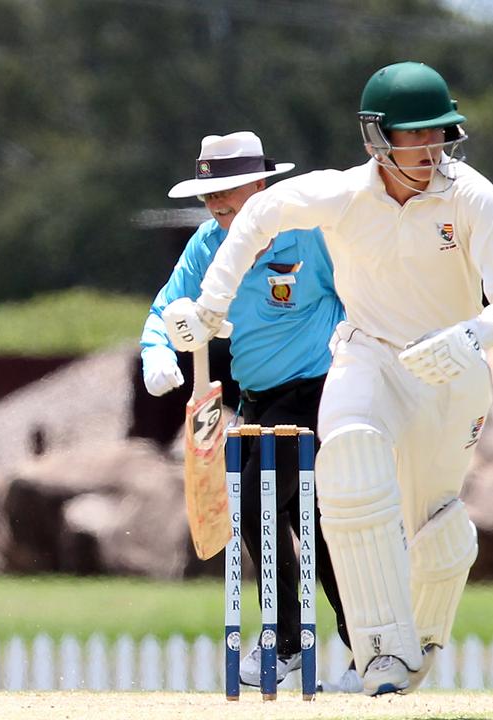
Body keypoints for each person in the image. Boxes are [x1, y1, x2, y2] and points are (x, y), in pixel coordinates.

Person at [163, 61, 493, 696]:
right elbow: (258, 216)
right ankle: (377, 654)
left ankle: (413, 654)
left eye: (440, 134)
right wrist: (213, 308)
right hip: (366, 356)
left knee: (435, 525)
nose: (432, 149)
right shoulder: (344, 194)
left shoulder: (471, 197)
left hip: (451, 373)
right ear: (377, 136)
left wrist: (470, 337)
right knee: (346, 468)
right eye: (416, 136)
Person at [142, 132, 356, 692]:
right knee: (299, 521)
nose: (216, 205)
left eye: (228, 191)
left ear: (261, 186)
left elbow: (361, 292)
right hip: (255, 399)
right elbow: (167, 307)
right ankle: (356, 645)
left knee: (265, 500)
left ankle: (293, 643)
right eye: (208, 194)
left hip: (316, 391)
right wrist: (158, 354)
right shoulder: (208, 244)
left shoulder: (310, 235)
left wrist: (356, 348)